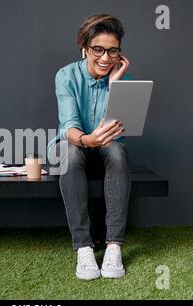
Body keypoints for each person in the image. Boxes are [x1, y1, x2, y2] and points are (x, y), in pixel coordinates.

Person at [47, 14, 132, 280]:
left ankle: (114, 246)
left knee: (117, 151)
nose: (106, 58)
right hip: (72, 144)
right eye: (98, 50)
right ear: (85, 48)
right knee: (71, 155)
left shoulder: (121, 80)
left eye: (113, 51)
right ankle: (83, 247)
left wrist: (114, 87)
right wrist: (87, 140)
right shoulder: (66, 76)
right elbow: (69, 126)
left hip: (106, 147)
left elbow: (116, 133)